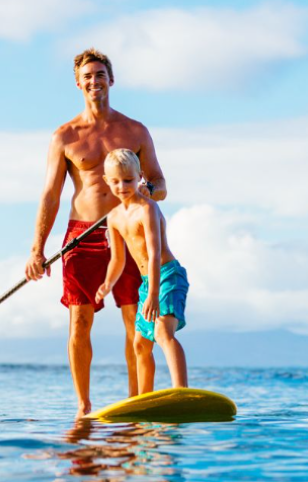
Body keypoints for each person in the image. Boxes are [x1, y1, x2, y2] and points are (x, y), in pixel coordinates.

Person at [25, 48, 167, 418]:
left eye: (100, 74)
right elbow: (51, 194)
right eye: (87, 76)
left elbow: (160, 183)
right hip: (81, 236)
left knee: (135, 318)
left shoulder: (135, 131)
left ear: (111, 80)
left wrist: (144, 192)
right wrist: (37, 249)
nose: (94, 81)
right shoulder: (65, 136)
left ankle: (137, 401)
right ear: (78, 83)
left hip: (128, 230)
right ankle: (84, 406)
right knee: (80, 320)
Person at [95, 149, 188, 394]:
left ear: (140, 177)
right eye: (115, 181)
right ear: (106, 180)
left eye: (128, 180)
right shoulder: (114, 217)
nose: (122, 186)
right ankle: (144, 398)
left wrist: (154, 294)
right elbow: (117, 259)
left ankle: (181, 391)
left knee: (162, 333)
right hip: (148, 283)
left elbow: (154, 253)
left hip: (167, 276)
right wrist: (107, 284)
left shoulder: (147, 209)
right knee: (139, 344)